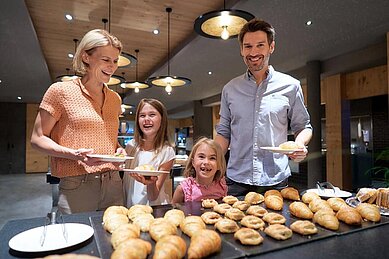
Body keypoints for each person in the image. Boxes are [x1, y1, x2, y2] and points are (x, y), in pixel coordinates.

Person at [31, 29, 126, 214]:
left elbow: (108, 139)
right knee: (77, 239)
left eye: (115, 61)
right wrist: (75, 154)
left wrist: (118, 149)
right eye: (106, 60)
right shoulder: (61, 91)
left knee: (113, 237)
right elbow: (37, 138)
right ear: (86, 57)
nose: (112, 67)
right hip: (78, 183)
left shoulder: (115, 99)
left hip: (114, 181)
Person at [215, 18, 313, 197]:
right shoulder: (230, 89)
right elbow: (223, 132)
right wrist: (211, 160)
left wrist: (299, 145)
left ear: (271, 47)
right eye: (248, 46)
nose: (253, 52)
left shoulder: (290, 86)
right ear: (241, 50)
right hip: (236, 181)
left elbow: (304, 126)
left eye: (260, 45)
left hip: (275, 180)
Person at [123, 98, 175, 207]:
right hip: (130, 208)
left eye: (152, 115)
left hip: (154, 210)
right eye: (142, 116)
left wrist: (150, 183)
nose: (146, 119)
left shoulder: (167, 152)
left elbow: (153, 196)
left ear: (162, 119)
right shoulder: (131, 146)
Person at [172, 137, 227, 203]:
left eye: (212, 158)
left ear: (219, 164)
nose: (206, 162)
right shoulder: (183, 189)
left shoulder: (222, 186)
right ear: (193, 162)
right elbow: (174, 211)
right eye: (201, 157)